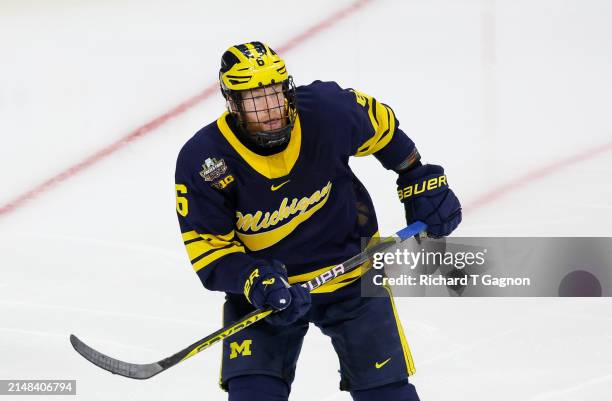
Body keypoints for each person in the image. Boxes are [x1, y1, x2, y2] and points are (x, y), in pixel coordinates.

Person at [174, 41, 461, 401]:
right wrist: (255, 281)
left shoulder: (328, 112)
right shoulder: (205, 161)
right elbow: (209, 252)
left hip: (350, 276)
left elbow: (383, 127)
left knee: (388, 395)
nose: (270, 110)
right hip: (266, 296)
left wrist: (415, 174)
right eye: (254, 100)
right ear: (232, 102)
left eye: (275, 94)